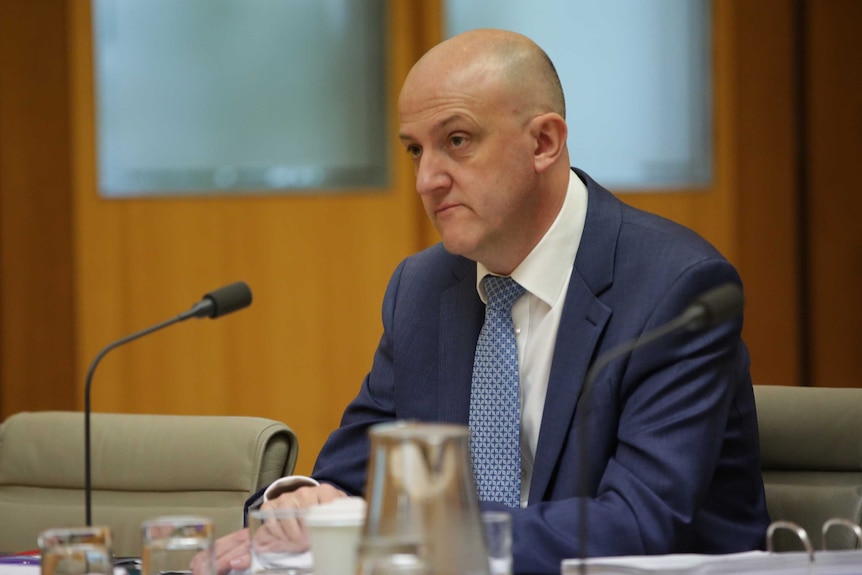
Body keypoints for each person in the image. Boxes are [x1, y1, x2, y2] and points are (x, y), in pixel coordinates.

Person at [203, 28, 770, 575]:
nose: (427, 179)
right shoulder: (423, 289)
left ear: (543, 143)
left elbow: (638, 527)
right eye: (414, 150)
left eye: (456, 141)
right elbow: (351, 479)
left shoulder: (672, 289)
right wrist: (297, 503)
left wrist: (410, 532)